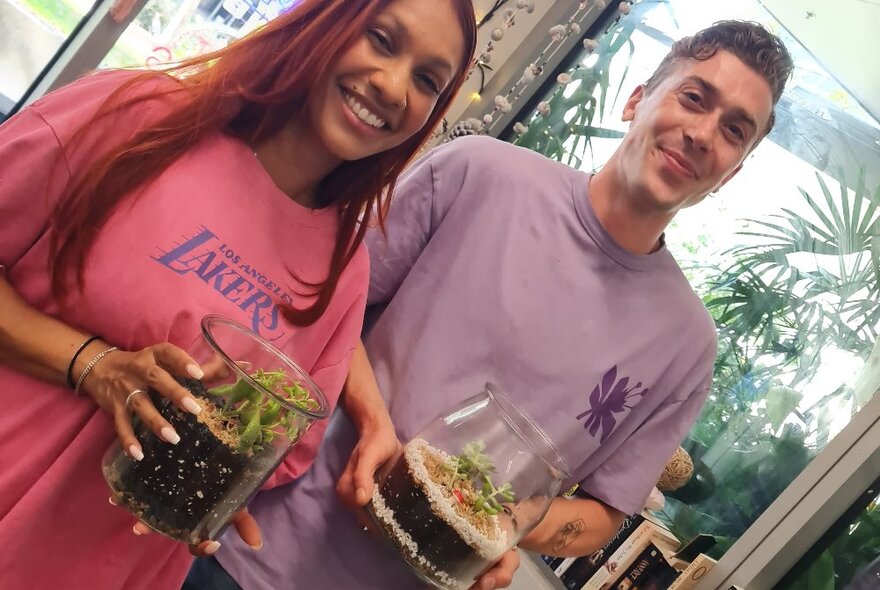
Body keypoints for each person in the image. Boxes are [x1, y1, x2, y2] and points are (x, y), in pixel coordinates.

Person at [195, 19, 793, 590]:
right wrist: (375, 422)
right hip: (248, 540)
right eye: (693, 98)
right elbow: (321, 303)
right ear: (637, 98)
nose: (702, 133)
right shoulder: (479, 172)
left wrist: (509, 526)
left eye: (735, 130)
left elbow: (605, 513)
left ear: (731, 175)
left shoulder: (686, 346)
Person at [0, 0, 476, 587]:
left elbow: (282, 451)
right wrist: (93, 364)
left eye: (428, 80)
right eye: (381, 39)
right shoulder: (138, 114)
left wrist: (218, 484)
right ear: (323, 20)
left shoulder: (342, 270)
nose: (394, 85)